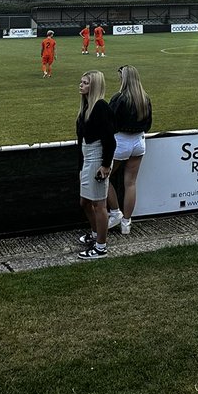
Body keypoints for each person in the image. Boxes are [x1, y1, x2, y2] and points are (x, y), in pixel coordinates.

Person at [106, 65, 153, 236]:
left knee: (104, 178)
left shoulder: (119, 98)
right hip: (139, 141)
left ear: (124, 79)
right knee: (131, 183)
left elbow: (109, 121)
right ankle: (127, 222)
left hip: (121, 141)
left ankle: (115, 212)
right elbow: (148, 124)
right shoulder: (144, 98)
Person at [75, 70, 116, 259]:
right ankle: (95, 234)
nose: (80, 85)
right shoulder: (85, 106)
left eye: (85, 83)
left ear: (94, 86)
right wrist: (81, 165)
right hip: (87, 157)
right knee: (85, 201)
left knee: (99, 204)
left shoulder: (100, 107)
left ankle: (101, 247)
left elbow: (110, 140)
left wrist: (106, 165)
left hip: (98, 157)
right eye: (81, 82)